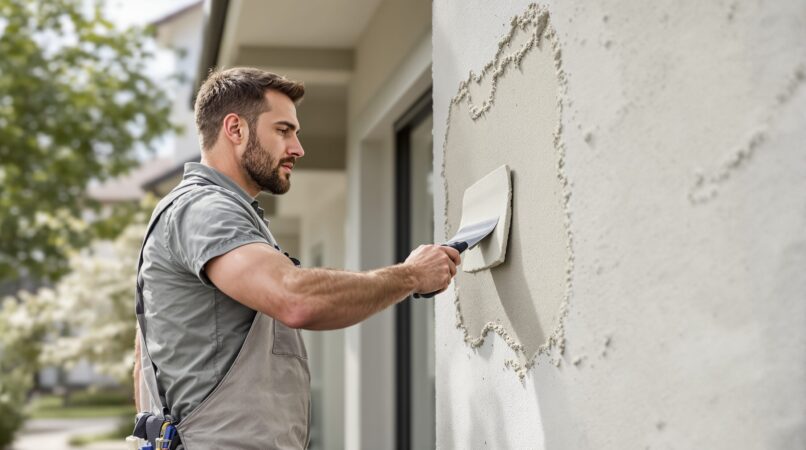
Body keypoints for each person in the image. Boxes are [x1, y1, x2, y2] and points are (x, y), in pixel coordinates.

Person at [132, 67, 460, 449]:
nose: (298, 148)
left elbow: (143, 354)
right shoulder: (206, 210)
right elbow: (296, 299)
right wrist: (411, 275)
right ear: (235, 129)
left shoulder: (221, 214)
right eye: (283, 130)